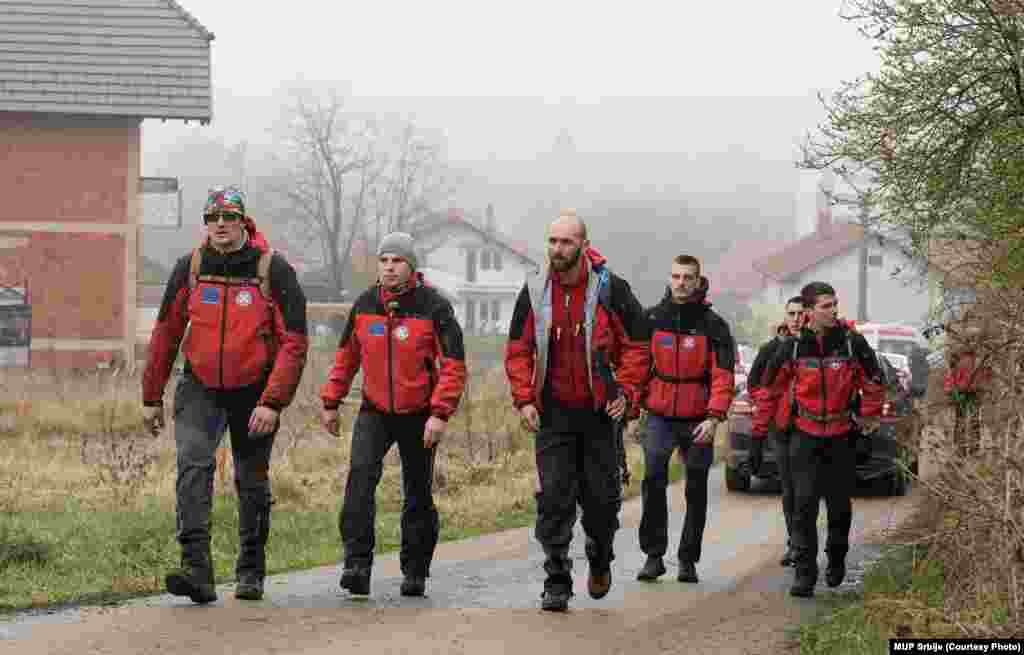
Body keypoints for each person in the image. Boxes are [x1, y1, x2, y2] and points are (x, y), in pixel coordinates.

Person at [142, 186, 309, 603]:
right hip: (200, 387)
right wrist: (151, 396)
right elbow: (165, 333)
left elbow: (295, 342)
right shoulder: (190, 268)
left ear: (242, 222)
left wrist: (273, 402)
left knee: (250, 479)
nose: (220, 224)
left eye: (229, 217)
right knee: (192, 468)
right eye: (212, 218)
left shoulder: (273, 269)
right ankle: (196, 570)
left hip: (255, 392)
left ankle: (251, 569)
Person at [505, 209, 649, 612]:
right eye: (552, 241)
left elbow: (639, 346)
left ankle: (600, 557)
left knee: (601, 503)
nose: (557, 249)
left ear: (584, 245)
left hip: (599, 415)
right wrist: (524, 399)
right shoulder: (534, 290)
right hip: (552, 414)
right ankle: (557, 578)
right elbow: (518, 350)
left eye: (566, 242)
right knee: (554, 499)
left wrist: (627, 392)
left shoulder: (611, 289)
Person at [320, 232, 467, 598]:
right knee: (359, 481)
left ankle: (415, 569)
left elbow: (453, 365)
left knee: (417, 491)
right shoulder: (365, 304)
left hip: (420, 413)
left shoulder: (434, 306)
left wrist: (440, 413)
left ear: (411, 266)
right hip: (375, 410)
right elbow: (346, 357)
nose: (389, 267)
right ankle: (357, 565)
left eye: (397, 261)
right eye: (384, 260)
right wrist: (331, 401)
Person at [756, 282, 884, 597]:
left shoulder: (852, 343)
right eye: (826, 306)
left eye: (835, 304)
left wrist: (867, 423)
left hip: (841, 436)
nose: (834, 310)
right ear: (810, 311)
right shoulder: (793, 347)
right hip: (805, 436)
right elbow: (769, 392)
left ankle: (836, 558)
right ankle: (805, 573)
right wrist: (758, 436)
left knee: (839, 507)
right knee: (804, 506)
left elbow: (873, 381)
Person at [635, 256, 736, 584]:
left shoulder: (714, 325)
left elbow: (723, 375)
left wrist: (714, 417)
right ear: (670, 278)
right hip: (659, 416)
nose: (681, 283)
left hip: (698, 419)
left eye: (687, 277)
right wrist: (634, 411)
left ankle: (688, 560)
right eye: (676, 276)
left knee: (696, 487)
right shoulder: (651, 318)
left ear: (697, 281)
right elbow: (637, 368)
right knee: (653, 479)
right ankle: (653, 556)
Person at [746, 296, 805, 568]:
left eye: (801, 313)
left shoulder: (816, 347)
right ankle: (795, 543)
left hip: (810, 427)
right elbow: (754, 384)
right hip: (780, 428)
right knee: (789, 488)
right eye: (791, 313)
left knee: (806, 488)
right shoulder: (771, 349)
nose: (796, 319)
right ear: (785, 316)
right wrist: (769, 404)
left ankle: (804, 543)